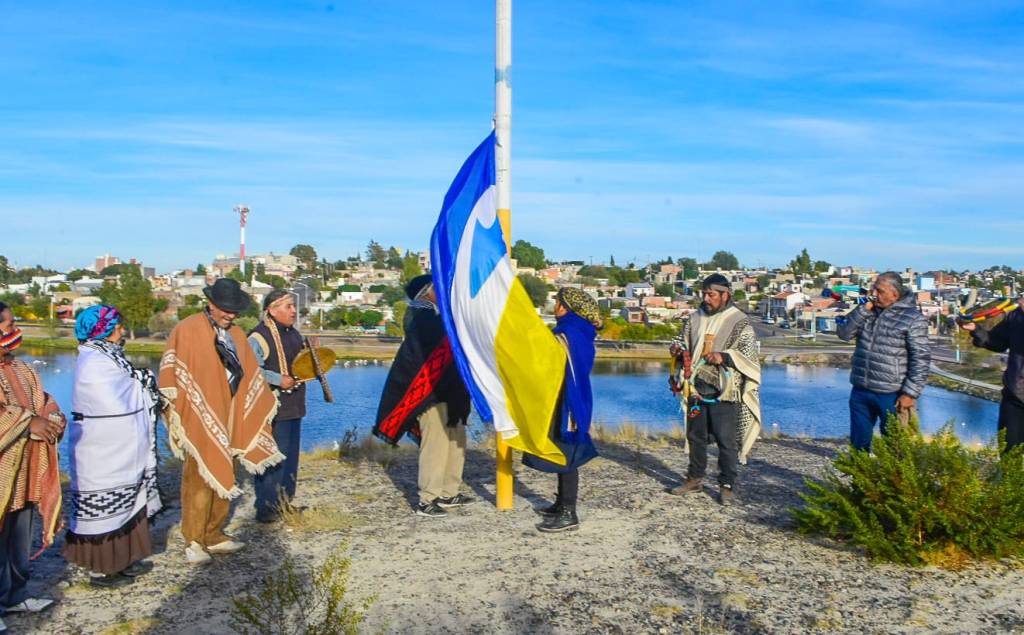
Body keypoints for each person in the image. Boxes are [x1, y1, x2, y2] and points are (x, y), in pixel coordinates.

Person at [159, 278, 282, 564]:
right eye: (225, 310)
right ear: (211, 304)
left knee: (227, 474)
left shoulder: (237, 334)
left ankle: (214, 533)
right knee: (199, 479)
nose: (230, 315)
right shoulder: (188, 329)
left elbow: (250, 373)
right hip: (197, 415)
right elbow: (172, 370)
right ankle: (194, 539)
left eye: (234, 310)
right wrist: (176, 408)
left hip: (230, 413)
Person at [64, 305, 162, 588]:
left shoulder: (110, 356)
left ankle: (120, 561)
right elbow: (111, 398)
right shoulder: (93, 361)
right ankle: (100, 569)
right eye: (116, 325)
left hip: (122, 449)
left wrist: (140, 381)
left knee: (127, 504)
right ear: (101, 330)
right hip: (102, 451)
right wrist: (145, 382)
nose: (121, 330)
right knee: (103, 510)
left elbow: (129, 385)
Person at [374, 275, 472, 518]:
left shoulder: (437, 314)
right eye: (437, 286)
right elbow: (431, 349)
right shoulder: (420, 315)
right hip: (430, 392)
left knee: (456, 440)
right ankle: (428, 498)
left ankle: (449, 491)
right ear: (426, 291)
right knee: (436, 444)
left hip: (450, 390)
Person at [667, 274, 761, 506]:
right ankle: (694, 478)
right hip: (696, 387)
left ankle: (727, 484)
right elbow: (683, 341)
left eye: (711, 294)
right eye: (704, 294)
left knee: (726, 440)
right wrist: (678, 349)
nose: (706, 298)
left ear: (725, 295)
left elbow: (749, 355)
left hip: (726, 390)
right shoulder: (694, 318)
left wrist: (724, 356)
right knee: (695, 435)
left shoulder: (740, 321)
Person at [0, 302, 64, 626]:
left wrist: (53, 418)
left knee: (19, 535)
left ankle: (16, 595)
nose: (12, 331)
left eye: (12, 324)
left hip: (24, 471)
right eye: (6, 325)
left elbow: (44, 399)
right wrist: (29, 423)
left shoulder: (22, 369)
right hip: (1, 474)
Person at [526, 288, 601, 533]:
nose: (554, 304)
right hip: (570, 397)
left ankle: (569, 513)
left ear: (565, 307)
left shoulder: (569, 333)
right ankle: (561, 504)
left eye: (557, 301)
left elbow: (549, 360)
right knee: (562, 449)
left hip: (568, 401)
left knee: (567, 454)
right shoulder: (579, 330)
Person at [837, 271, 930, 452]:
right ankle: (859, 479)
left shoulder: (913, 319)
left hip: (892, 394)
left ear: (895, 294)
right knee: (858, 443)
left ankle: (892, 480)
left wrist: (910, 393)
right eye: (874, 290)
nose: (874, 295)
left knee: (894, 447)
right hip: (861, 389)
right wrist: (862, 310)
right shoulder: (868, 312)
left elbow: (921, 358)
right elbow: (844, 333)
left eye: (880, 291)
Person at [248, 290, 307, 523]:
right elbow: (250, 369)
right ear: (271, 310)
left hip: (294, 405)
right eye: (288, 306)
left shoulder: (293, 334)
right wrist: (276, 379)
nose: (294, 311)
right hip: (272, 408)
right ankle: (266, 507)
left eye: (294, 306)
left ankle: (284, 502)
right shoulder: (259, 336)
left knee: (290, 458)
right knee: (272, 458)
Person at [961, 294, 1024, 453]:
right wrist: (976, 329)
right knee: (1009, 456)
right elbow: (996, 342)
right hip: (1015, 397)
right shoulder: (1016, 315)